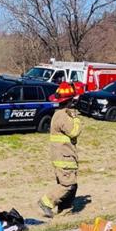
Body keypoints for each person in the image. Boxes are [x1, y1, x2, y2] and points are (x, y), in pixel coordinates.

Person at [39, 82, 81, 218]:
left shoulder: (60, 114)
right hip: (64, 157)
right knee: (68, 184)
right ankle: (46, 202)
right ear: (69, 100)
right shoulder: (63, 116)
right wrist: (76, 119)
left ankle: (65, 210)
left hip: (65, 156)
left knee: (71, 184)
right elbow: (74, 132)